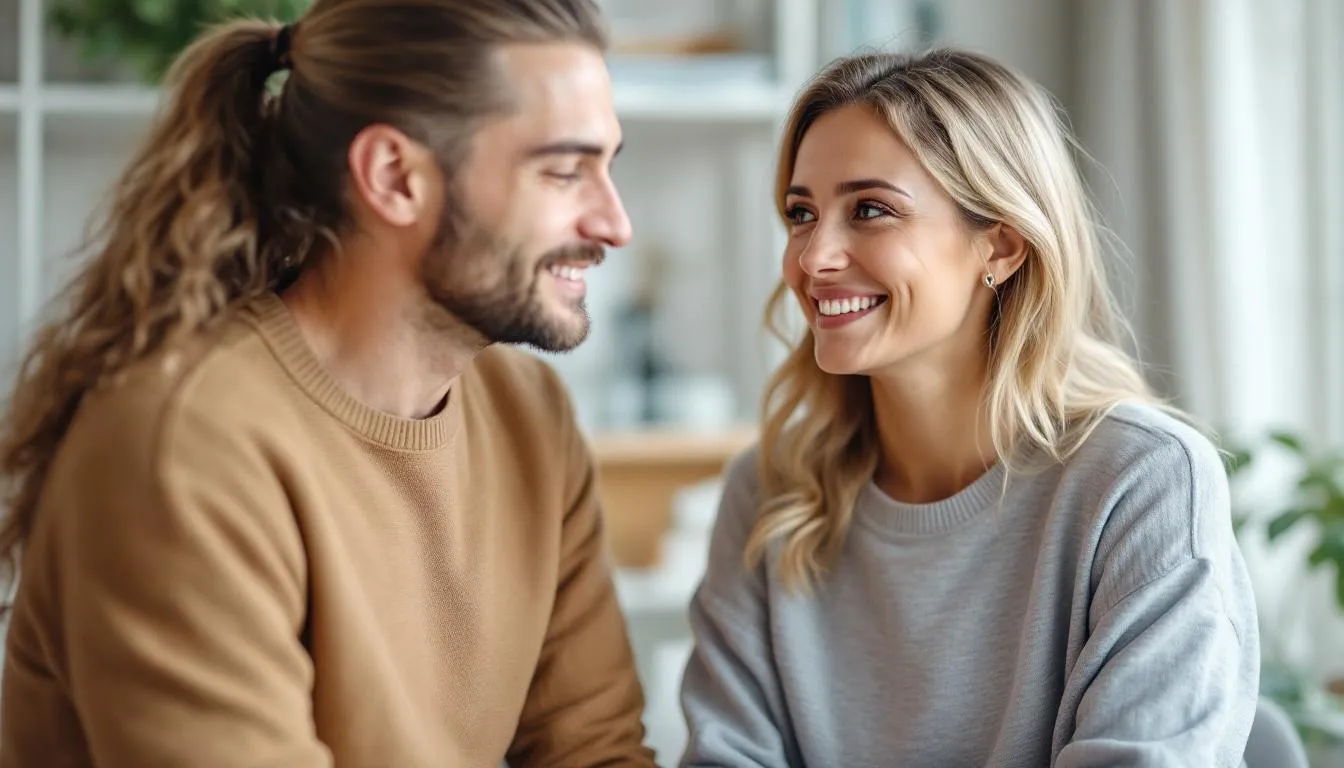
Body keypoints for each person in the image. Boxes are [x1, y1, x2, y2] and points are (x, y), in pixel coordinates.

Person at [0, 1, 658, 766]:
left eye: (609, 166)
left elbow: (594, 752)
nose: (615, 223)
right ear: (394, 178)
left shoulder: (530, 414)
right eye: (564, 171)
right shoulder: (181, 441)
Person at [679, 48, 1260, 767]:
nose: (813, 257)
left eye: (870, 210)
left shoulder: (1143, 482)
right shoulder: (769, 493)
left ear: (1003, 244)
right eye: (802, 214)